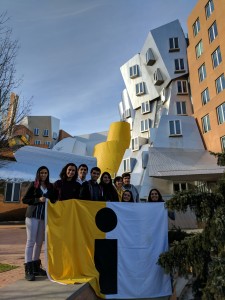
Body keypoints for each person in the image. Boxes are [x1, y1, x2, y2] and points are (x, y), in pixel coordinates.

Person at [22, 166, 55, 281]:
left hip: (43, 218)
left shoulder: (50, 186)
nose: (43, 175)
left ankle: (36, 267)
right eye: (41, 173)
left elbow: (54, 199)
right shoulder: (34, 184)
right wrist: (37, 200)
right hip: (32, 216)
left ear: (47, 174)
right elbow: (25, 199)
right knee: (31, 241)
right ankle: (28, 269)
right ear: (38, 173)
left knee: (39, 242)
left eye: (45, 173)